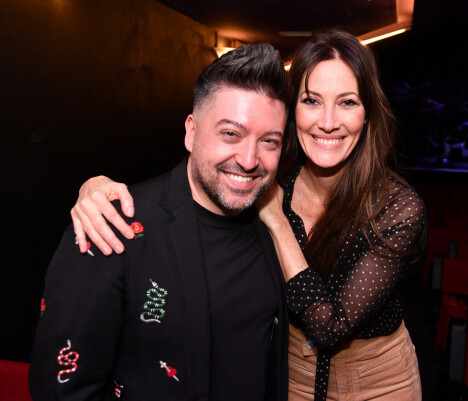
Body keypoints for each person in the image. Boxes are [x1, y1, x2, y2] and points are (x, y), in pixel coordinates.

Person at [71, 30, 426, 400]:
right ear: (292, 112)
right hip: (286, 372)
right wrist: (96, 188)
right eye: (311, 101)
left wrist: (277, 220)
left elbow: (329, 326)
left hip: (377, 379)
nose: (328, 121)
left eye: (347, 102)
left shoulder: (396, 205)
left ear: (368, 112)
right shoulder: (264, 175)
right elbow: (194, 190)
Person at [29, 42, 290, 401]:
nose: (249, 160)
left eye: (269, 142)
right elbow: (61, 390)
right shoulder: (112, 227)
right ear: (191, 131)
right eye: (230, 133)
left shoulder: (275, 222)